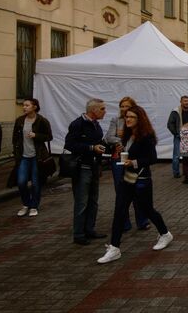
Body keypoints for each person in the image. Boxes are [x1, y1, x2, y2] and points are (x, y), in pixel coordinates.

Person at [97, 105, 173, 263]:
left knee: (148, 210)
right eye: (126, 116)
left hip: (141, 179)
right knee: (119, 211)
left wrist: (134, 162)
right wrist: (120, 151)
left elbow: (152, 158)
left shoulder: (146, 136)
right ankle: (114, 247)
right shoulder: (126, 135)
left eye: (131, 117)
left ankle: (165, 234)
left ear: (140, 119)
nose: (128, 119)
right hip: (127, 178)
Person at [65, 98, 107, 245]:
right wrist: (91, 148)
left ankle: (90, 229)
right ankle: (79, 233)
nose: (105, 111)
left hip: (94, 166)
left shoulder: (96, 125)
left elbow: (98, 142)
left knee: (93, 201)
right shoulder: (78, 124)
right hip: (82, 167)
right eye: (102, 109)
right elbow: (70, 144)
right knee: (81, 202)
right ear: (93, 110)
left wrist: (103, 149)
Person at [105, 96, 148, 231]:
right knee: (121, 191)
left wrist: (122, 136)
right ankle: (124, 222)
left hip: (133, 159)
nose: (124, 109)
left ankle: (142, 220)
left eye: (126, 106)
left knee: (136, 189)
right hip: (119, 158)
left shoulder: (138, 121)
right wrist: (122, 139)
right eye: (122, 106)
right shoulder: (116, 120)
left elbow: (139, 137)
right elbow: (109, 137)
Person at [12, 98, 53, 218]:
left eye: (27, 105)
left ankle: (34, 206)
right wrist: (16, 152)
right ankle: (26, 204)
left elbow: (49, 136)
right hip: (23, 156)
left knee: (36, 183)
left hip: (37, 156)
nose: (24, 107)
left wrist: (37, 135)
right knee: (21, 182)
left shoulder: (41, 121)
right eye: (23, 105)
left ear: (34, 107)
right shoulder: (20, 120)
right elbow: (15, 138)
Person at [167, 96, 188, 179]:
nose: (187, 102)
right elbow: (170, 124)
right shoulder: (175, 111)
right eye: (185, 101)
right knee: (176, 156)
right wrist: (176, 133)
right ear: (181, 102)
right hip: (179, 136)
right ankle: (176, 173)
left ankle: (186, 171)